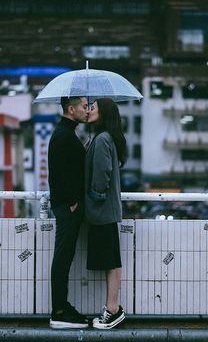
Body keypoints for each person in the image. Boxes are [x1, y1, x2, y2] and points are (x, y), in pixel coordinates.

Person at [85, 98, 127, 329]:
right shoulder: (104, 138)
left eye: (93, 107)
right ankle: (112, 307)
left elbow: (102, 172)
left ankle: (113, 309)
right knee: (111, 259)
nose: (89, 110)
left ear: (104, 113)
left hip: (102, 210)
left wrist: (95, 195)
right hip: (107, 211)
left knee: (111, 261)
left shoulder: (102, 139)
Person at [48, 96, 89, 329]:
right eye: (84, 107)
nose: (87, 110)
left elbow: (68, 165)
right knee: (63, 256)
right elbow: (61, 173)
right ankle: (59, 311)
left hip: (65, 204)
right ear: (71, 109)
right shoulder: (64, 135)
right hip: (67, 206)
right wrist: (73, 200)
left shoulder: (66, 133)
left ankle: (62, 307)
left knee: (65, 255)